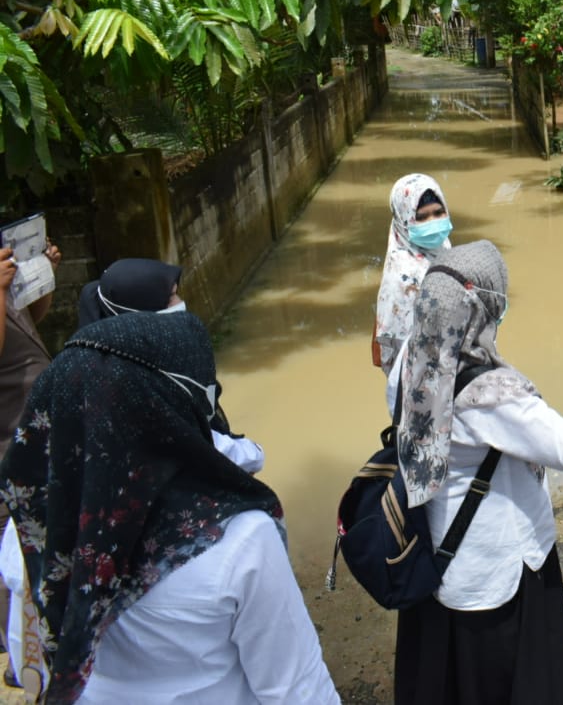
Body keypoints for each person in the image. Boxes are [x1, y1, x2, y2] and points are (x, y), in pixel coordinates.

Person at [0, 311, 339, 704]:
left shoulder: (33, 527)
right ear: (168, 412)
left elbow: (30, 654)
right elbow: (299, 690)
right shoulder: (238, 538)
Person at [395, 240, 563, 704]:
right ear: (483, 309)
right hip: (494, 573)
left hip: (437, 557)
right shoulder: (487, 392)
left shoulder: (413, 363)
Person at [76, 257, 264, 474]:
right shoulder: (130, 380)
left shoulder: (122, 357)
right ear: (140, 309)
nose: (180, 302)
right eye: (172, 296)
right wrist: (254, 454)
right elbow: (190, 442)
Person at [0, 235, 58, 686]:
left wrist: (42, 277)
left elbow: (31, 320)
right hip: (8, 450)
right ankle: (17, 657)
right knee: (12, 554)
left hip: (36, 437)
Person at [374, 173, 452, 376]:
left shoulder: (440, 245)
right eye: (422, 217)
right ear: (404, 220)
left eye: (438, 213)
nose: (433, 222)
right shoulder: (403, 278)